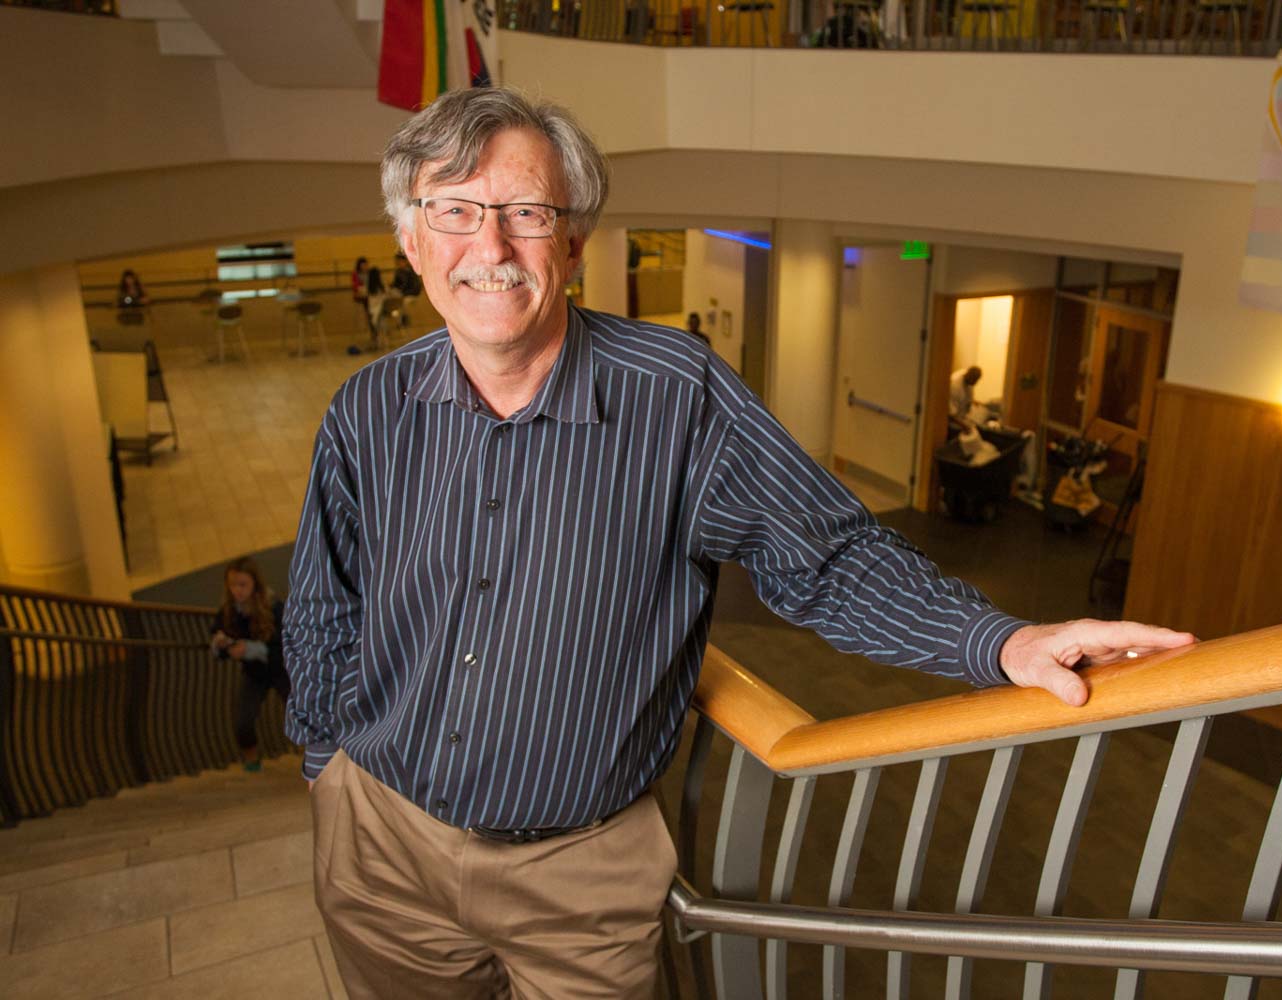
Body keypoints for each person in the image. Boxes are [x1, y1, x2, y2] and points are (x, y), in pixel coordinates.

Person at [284, 86, 1193, 1000]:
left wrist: (1001, 641)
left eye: (526, 212)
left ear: (574, 241)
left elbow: (828, 558)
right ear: (411, 240)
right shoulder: (368, 408)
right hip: (381, 849)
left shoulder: (677, 395)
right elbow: (325, 604)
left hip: (578, 876)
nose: (490, 248)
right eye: (453, 211)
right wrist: (328, 769)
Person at [211, 556, 287, 772]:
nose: (237, 590)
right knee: (243, 721)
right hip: (255, 673)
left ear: (255, 583)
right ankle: (252, 764)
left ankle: (320, 759)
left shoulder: (273, 606)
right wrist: (222, 645)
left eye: (243, 584)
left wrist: (251, 649)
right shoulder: (229, 610)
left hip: (282, 669)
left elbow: (285, 643)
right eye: (233, 585)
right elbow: (218, 635)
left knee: (302, 712)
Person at [950, 364, 982, 431]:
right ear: (969, 376)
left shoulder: (969, 384)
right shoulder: (955, 387)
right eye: (975, 380)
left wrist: (974, 402)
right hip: (952, 424)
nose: (976, 383)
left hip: (962, 420)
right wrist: (964, 426)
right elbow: (950, 414)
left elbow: (966, 398)